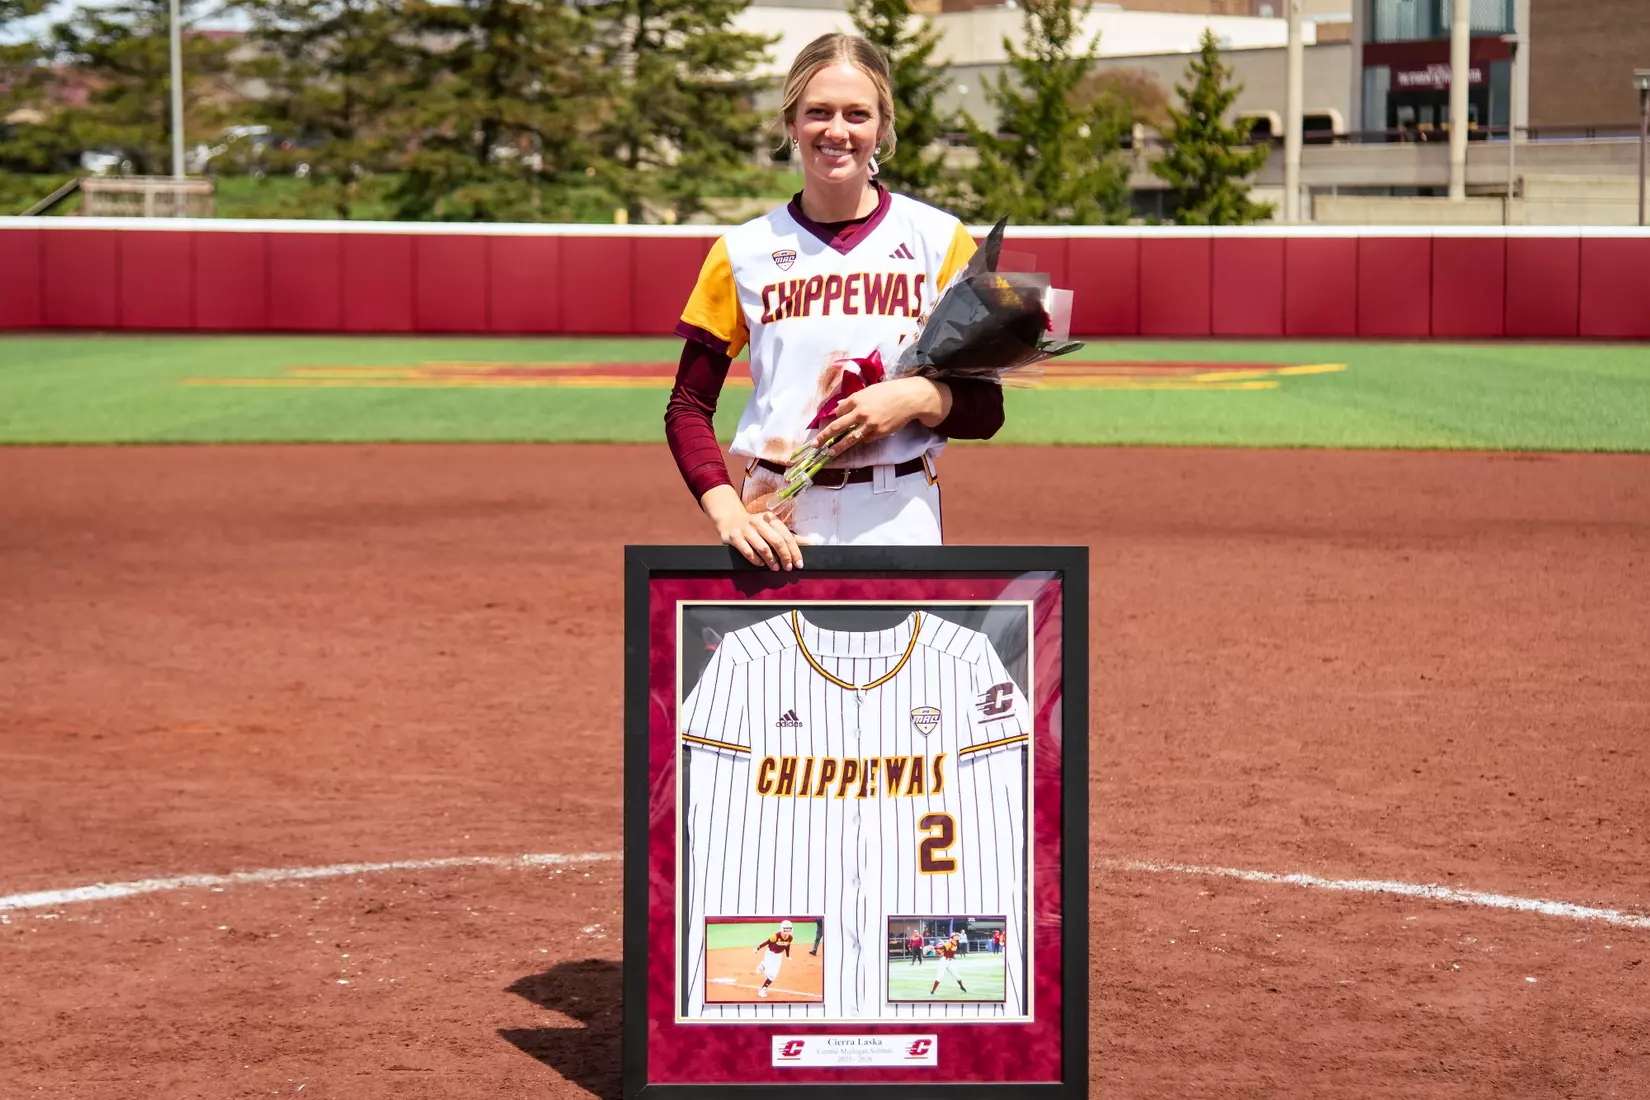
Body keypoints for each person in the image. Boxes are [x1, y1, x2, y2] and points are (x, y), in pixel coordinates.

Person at [665, 32, 1006, 570]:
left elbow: (987, 409)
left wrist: (916, 399)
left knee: (900, 655)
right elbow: (687, 407)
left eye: (857, 114)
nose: (837, 131)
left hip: (899, 510)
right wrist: (728, 510)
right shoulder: (742, 252)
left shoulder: (940, 241)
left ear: (883, 128)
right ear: (791, 124)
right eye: (818, 112)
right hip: (776, 516)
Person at [753, 918, 794, 998]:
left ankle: (762, 990)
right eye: (785, 929)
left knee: (773, 975)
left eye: (789, 929)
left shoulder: (790, 938)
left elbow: (787, 946)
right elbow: (767, 942)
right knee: (769, 972)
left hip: (778, 956)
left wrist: (788, 956)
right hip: (770, 954)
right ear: (782, 929)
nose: (787, 931)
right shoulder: (775, 936)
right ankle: (763, 965)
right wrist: (757, 948)